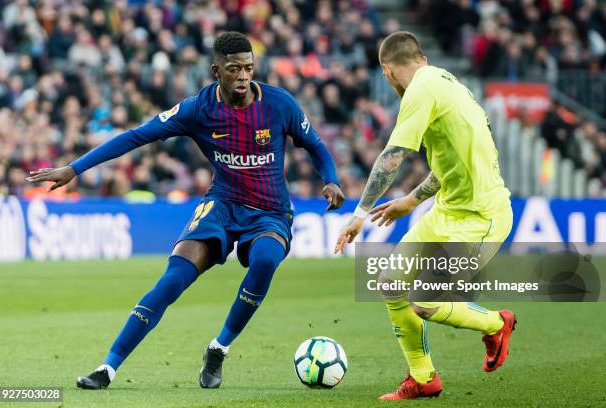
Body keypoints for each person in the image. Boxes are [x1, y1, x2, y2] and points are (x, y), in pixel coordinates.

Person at [27, 31, 345, 390]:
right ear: (215, 70)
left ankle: (218, 349)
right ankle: (108, 367)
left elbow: (316, 146)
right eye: (234, 69)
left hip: (270, 211)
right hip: (221, 205)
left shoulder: (279, 105)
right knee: (173, 279)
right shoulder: (197, 109)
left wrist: (330, 178)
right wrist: (75, 168)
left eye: (248, 68)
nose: (242, 76)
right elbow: (137, 135)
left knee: (266, 260)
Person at [335, 31, 516, 400]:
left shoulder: (420, 89)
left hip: (483, 216)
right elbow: (450, 164)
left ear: (387, 70)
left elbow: (392, 156)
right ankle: (423, 377)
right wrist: (413, 200)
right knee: (391, 283)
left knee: (427, 300)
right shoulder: (447, 84)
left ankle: (497, 323)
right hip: (449, 209)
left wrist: (360, 213)